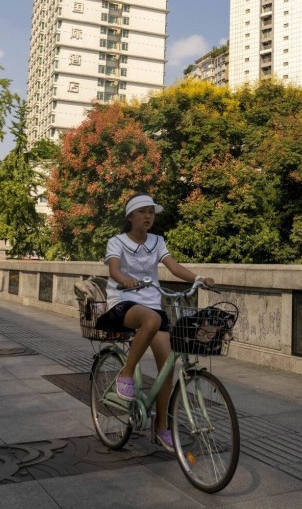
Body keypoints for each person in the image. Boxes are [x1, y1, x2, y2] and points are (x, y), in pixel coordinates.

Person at [95, 193, 215, 452]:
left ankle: (161, 427)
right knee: (150, 319)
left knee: (166, 369)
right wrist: (124, 279)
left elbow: (173, 266)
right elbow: (114, 269)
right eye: (142, 211)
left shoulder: (157, 241)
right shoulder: (116, 242)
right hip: (123, 303)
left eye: (151, 211)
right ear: (130, 216)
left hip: (151, 305)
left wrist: (198, 278)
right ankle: (126, 374)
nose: (148, 216)